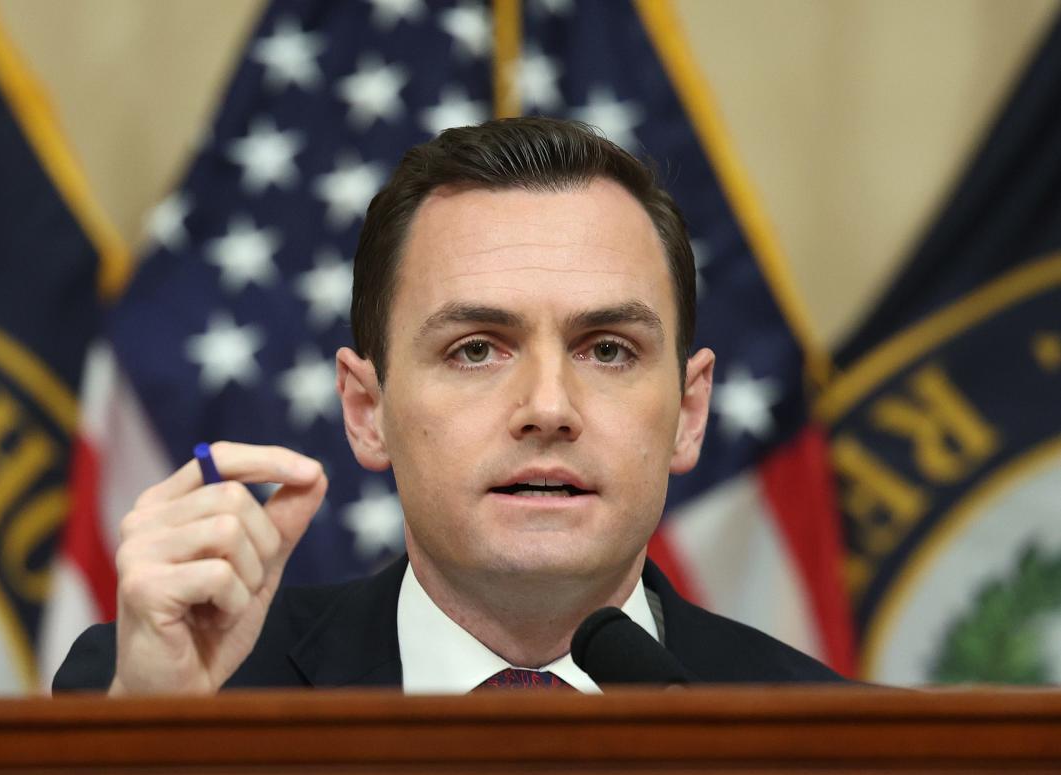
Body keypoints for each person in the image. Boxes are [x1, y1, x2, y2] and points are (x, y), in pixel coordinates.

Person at [53, 117, 844, 694]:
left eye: (606, 348)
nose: (546, 406)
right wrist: (158, 744)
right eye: (475, 348)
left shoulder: (837, 747)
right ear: (366, 409)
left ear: (689, 411)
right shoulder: (163, 689)